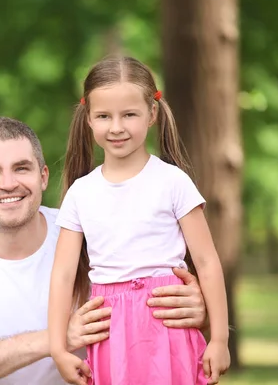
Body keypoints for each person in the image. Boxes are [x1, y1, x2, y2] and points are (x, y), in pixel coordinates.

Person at [0, 116, 211, 385]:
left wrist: (199, 310)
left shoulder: (93, 232)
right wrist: (56, 339)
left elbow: (157, 314)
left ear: (43, 177)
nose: (8, 183)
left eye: (21, 168)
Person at [48, 56, 230, 385]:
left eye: (129, 114)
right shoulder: (81, 193)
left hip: (167, 322)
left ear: (152, 115)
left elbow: (206, 262)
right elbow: (61, 275)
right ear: (88, 118)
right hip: (109, 329)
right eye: (104, 116)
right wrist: (58, 347)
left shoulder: (173, 183)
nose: (116, 127)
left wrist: (219, 339)